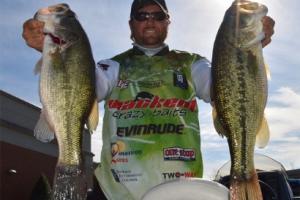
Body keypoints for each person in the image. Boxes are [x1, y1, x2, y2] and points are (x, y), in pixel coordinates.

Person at [22, 0, 275, 199]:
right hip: (115, 191)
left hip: (182, 191)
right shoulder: (112, 66)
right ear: (131, 24)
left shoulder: (192, 64)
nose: (150, 21)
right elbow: (85, 87)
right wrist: (47, 48)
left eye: (158, 15)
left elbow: (223, 89)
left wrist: (247, 48)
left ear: (168, 22)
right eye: (142, 16)